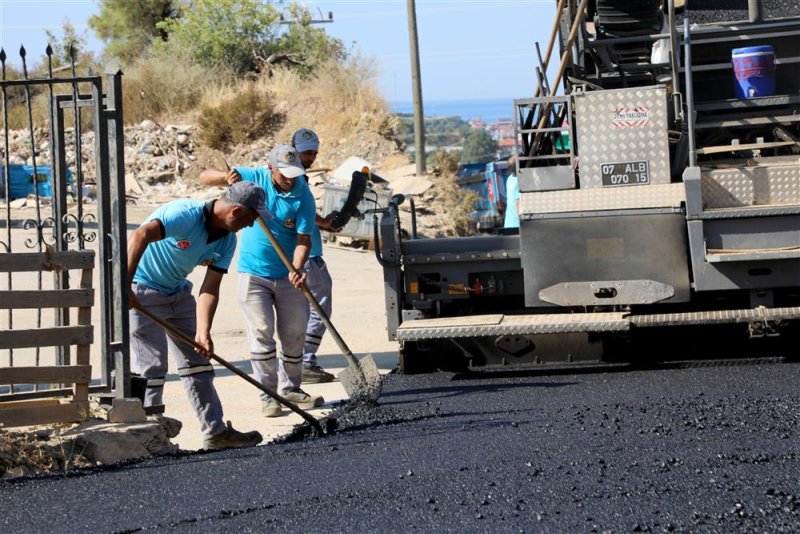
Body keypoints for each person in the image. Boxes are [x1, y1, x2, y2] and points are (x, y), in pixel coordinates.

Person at [127, 181, 266, 450]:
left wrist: (203, 331)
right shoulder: (183, 214)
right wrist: (125, 284)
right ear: (236, 211)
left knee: (199, 363)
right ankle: (149, 437)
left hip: (178, 294)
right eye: (251, 219)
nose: (250, 226)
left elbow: (210, 288)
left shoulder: (227, 240)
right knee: (151, 368)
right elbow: (139, 236)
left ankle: (215, 432)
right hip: (141, 290)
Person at [199, 144, 323, 418]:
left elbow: (304, 238)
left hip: (287, 274)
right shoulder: (253, 177)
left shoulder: (304, 194)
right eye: (284, 174)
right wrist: (225, 178)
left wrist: (298, 267)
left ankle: (291, 388)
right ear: (270, 168)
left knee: (294, 333)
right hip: (253, 272)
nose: (290, 179)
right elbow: (204, 177)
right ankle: (268, 395)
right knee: (262, 332)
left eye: (294, 173)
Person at [291, 128, 338, 384]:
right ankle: (305, 362)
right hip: (307, 254)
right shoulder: (295, 177)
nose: (311, 157)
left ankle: (300, 361)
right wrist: (326, 223)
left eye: (314, 153)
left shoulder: (300, 176)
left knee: (310, 308)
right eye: (306, 152)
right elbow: (301, 211)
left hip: (311, 251)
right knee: (318, 306)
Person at [503, 155, 520, 229]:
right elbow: (518, 202)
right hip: (517, 224)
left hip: (509, 222)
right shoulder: (519, 181)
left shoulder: (509, 179)